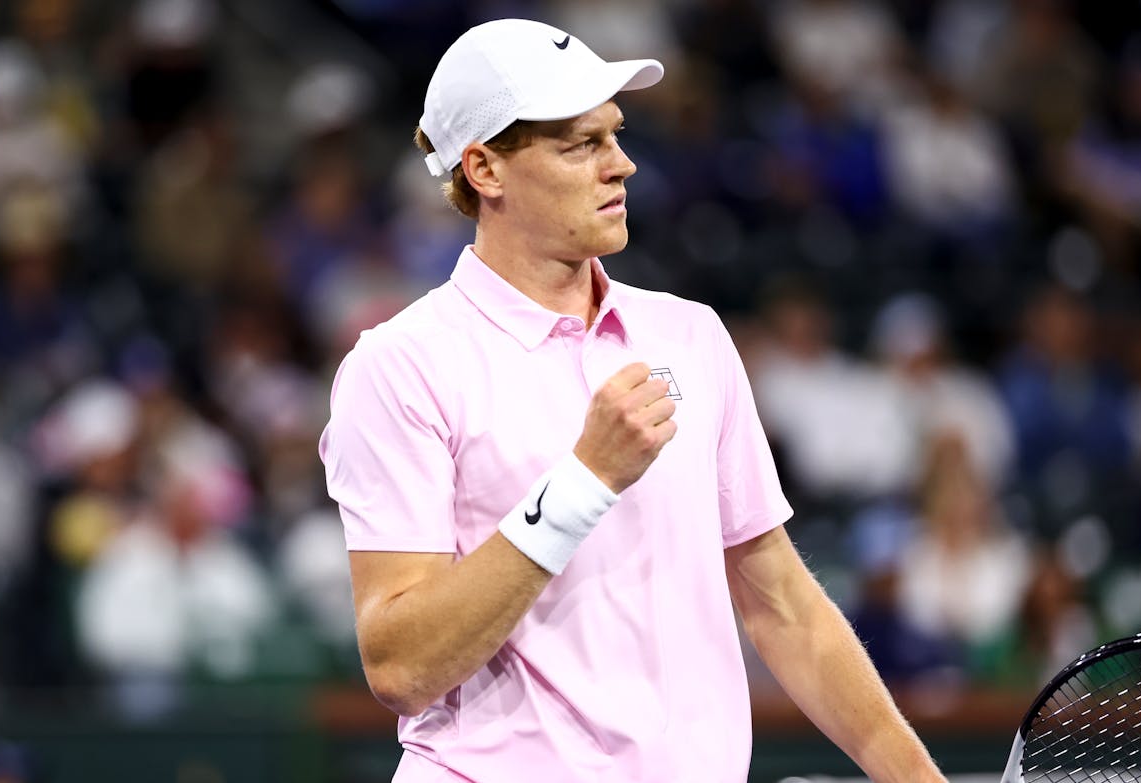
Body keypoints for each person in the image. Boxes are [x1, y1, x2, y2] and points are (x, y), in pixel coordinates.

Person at [319, 19, 944, 782]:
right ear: (484, 169)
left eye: (614, 135)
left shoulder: (691, 334)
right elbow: (401, 665)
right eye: (581, 145)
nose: (622, 164)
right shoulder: (400, 365)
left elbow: (785, 606)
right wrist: (581, 482)